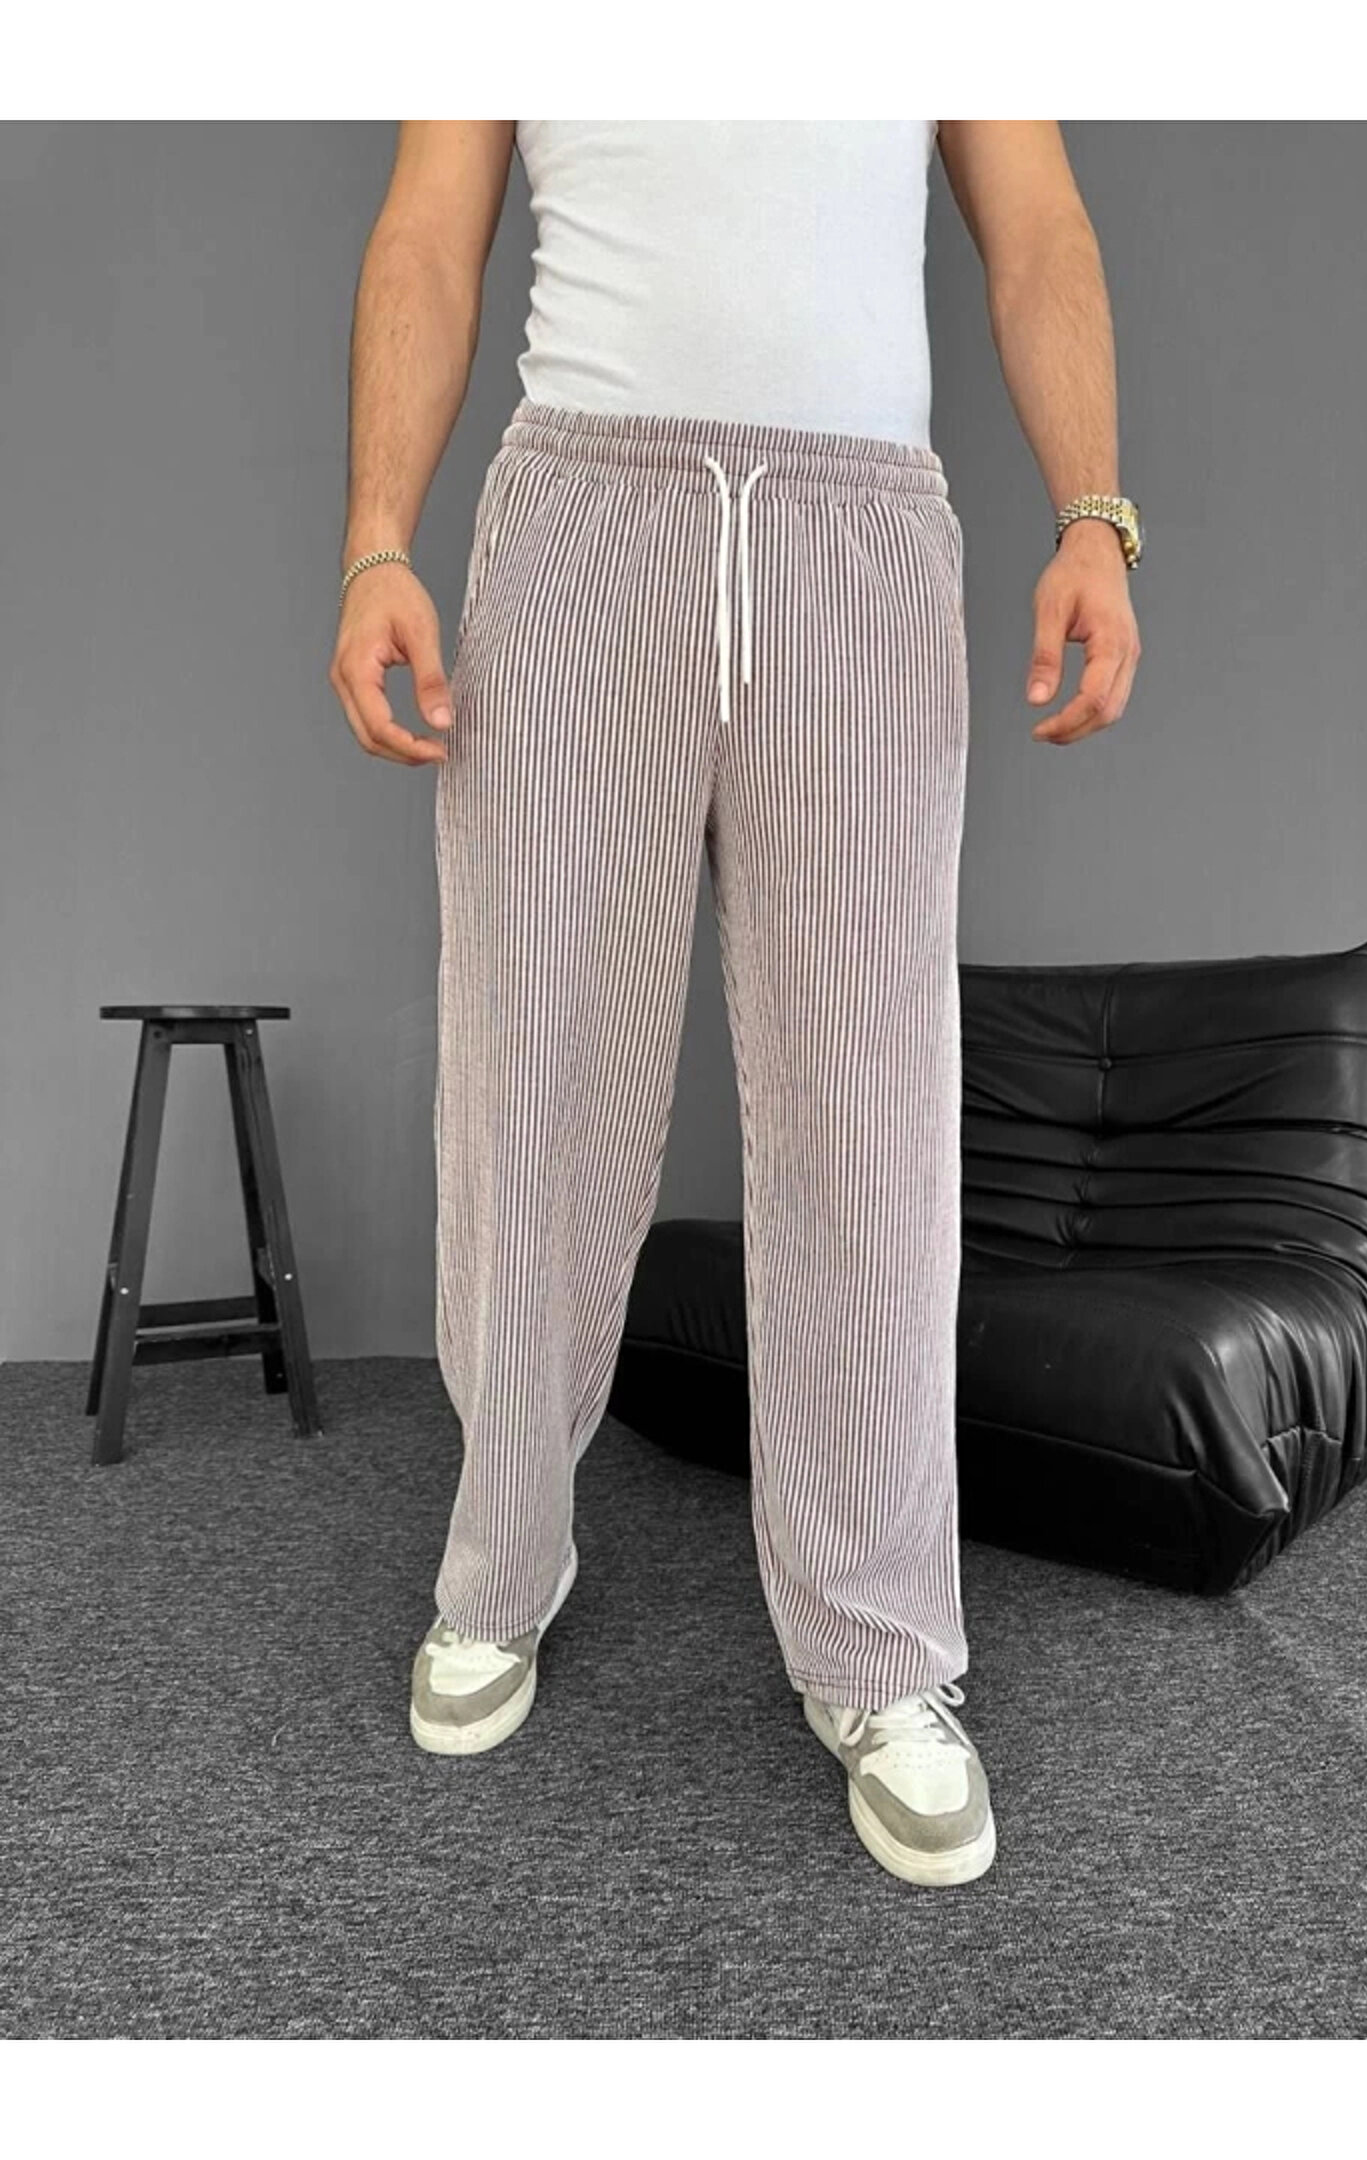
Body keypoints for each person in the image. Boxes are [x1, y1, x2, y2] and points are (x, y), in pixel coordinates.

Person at [328, 120, 1143, 1889]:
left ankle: (878, 1643)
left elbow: (1041, 229)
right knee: (536, 1080)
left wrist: (1094, 510)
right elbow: (425, 239)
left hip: (861, 534)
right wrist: (376, 540)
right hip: (580, 519)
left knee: (867, 1104)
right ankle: (502, 1558)